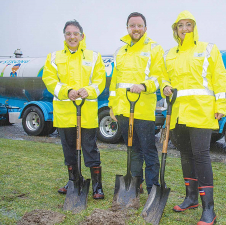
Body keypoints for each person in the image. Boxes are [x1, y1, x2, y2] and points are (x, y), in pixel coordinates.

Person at [163, 11, 226, 225]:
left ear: (194, 26)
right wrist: (164, 85)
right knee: (185, 155)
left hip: (201, 111)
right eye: (180, 25)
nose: (184, 28)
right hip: (178, 113)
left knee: (201, 156)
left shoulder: (208, 49)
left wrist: (221, 104)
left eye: (188, 24)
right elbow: (163, 76)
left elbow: (219, 77)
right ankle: (190, 198)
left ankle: (209, 210)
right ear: (175, 29)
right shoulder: (170, 53)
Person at [42, 20, 106, 200]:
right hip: (64, 112)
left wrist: (90, 90)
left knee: (90, 149)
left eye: (75, 33)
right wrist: (66, 91)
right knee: (69, 150)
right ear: (64, 36)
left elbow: (100, 80)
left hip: (86, 112)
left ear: (81, 36)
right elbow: (50, 80)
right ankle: (73, 180)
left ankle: (97, 185)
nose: (72, 37)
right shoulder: (54, 57)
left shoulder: (93, 57)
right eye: (68, 34)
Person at [108, 12, 169, 194]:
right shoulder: (120, 51)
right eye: (132, 25)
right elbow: (114, 83)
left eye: (139, 25)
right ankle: (136, 184)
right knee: (132, 149)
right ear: (127, 28)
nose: (136, 29)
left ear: (145, 28)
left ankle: (152, 188)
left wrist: (144, 86)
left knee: (148, 150)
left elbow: (158, 77)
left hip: (143, 110)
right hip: (124, 110)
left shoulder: (154, 48)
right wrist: (112, 105)